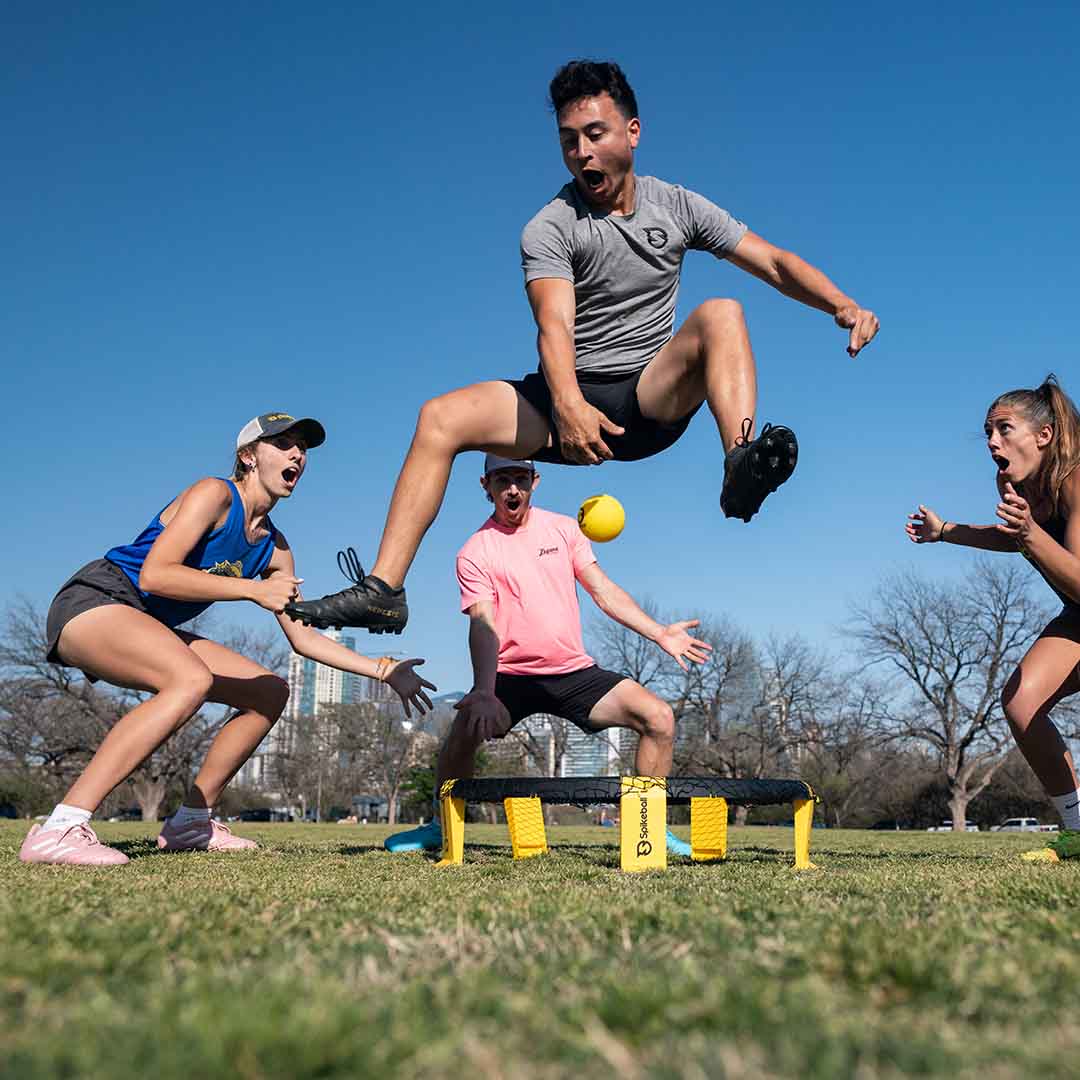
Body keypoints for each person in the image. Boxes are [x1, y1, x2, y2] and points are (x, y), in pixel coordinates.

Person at [286, 59, 879, 635]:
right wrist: (566, 403)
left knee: (723, 312)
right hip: (566, 394)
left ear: (632, 132)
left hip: (649, 396)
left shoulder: (677, 207)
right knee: (438, 419)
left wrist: (840, 305)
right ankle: (384, 590)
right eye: (569, 141)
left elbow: (772, 262)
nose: (582, 152)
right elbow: (554, 325)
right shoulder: (550, 225)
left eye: (595, 134)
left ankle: (740, 463)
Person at [19, 413, 435, 867]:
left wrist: (383, 670)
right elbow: (156, 575)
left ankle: (192, 822)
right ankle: (61, 827)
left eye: (303, 448)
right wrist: (253, 589)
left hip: (145, 621)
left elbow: (304, 641)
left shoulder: (275, 549)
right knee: (189, 680)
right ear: (248, 456)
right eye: (282, 442)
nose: (297, 453)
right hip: (96, 600)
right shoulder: (214, 494)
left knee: (269, 691)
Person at [384, 454, 711, 857]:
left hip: (572, 672)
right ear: (486, 486)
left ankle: (650, 828)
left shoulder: (563, 530)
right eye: (502, 480)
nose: (512, 489)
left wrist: (659, 632)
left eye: (520, 478)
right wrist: (484, 691)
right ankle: (442, 826)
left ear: (535, 481)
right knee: (464, 728)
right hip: (509, 676)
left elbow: (603, 592)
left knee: (659, 717)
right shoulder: (475, 551)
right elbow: (483, 624)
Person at [905, 375, 1080, 860]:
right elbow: (1014, 537)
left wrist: (1029, 533)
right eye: (987, 432)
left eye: (1004, 430)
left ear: (1043, 436)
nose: (991, 443)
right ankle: (1078, 830)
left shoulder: (1075, 479)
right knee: (1021, 702)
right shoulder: (1015, 481)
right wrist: (946, 532)